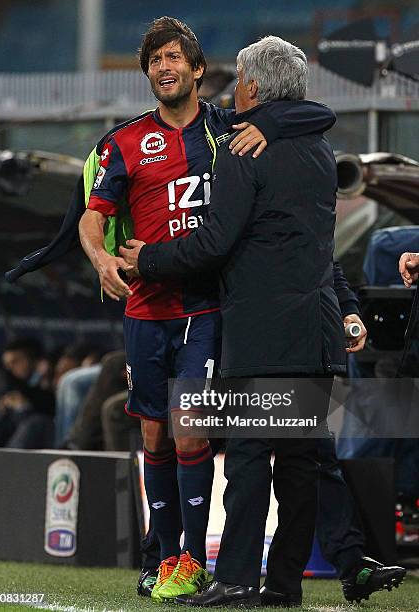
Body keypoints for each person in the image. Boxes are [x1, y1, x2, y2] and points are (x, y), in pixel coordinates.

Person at [122, 36, 406, 607]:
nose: (236, 90)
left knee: (250, 458)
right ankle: (282, 585)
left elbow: (213, 242)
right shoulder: (319, 150)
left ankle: (234, 580)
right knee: (301, 462)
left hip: (262, 332)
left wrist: (146, 258)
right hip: (316, 331)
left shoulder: (244, 149)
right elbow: (315, 249)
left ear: (251, 85)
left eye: (241, 81)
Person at [77, 16, 310, 602]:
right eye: (155, 60)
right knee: (154, 437)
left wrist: (273, 127)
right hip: (145, 313)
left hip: (205, 308)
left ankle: (190, 560)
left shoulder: (227, 129)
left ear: (199, 69)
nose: (164, 67)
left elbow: (303, 116)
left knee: (188, 432)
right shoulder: (123, 142)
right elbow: (92, 216)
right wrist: (100, 259)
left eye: (175, 57)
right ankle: (165, 555)